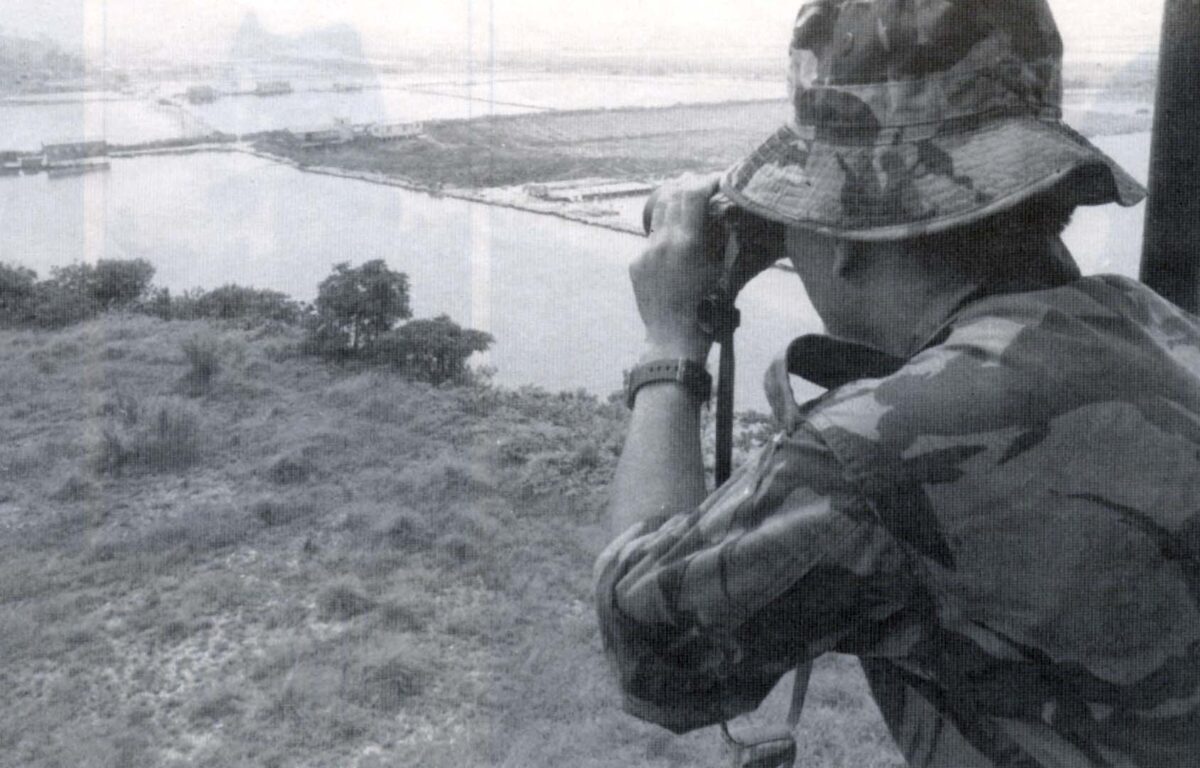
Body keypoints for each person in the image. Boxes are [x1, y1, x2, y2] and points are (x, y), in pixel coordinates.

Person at [594, 1, 1200, 766]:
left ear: (848, 235)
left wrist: (673, 339)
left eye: (795, 218)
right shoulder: (1156, 323)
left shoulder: (880, 449)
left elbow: (651, 653)